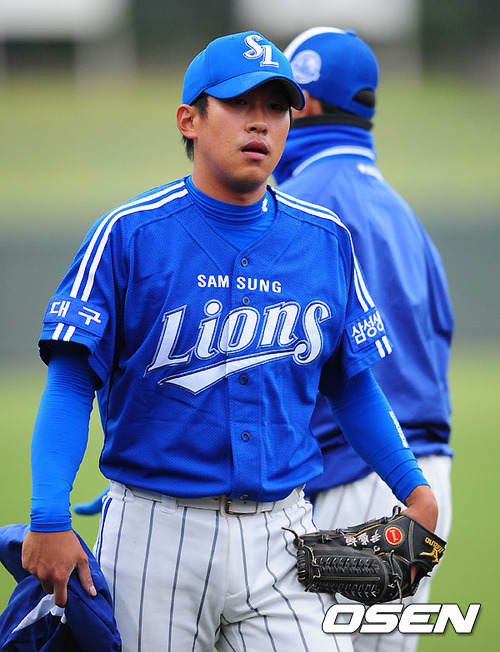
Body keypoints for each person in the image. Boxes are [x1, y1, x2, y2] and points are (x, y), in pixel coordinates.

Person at [20, 30, 439, 652]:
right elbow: (71, 381)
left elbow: (351, 385)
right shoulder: (129, 233)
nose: (260, 122)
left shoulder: (325, 239)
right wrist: (49, 516)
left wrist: (413, 487)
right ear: (189, 120)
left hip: (284, 534)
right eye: (240, 103)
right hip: (156, 533)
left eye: (276, 106)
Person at [274, 27, 454, 652]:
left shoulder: (295, 207)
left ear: (305, 104)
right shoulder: (406, 216)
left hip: (353, 475)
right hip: (426, 485)